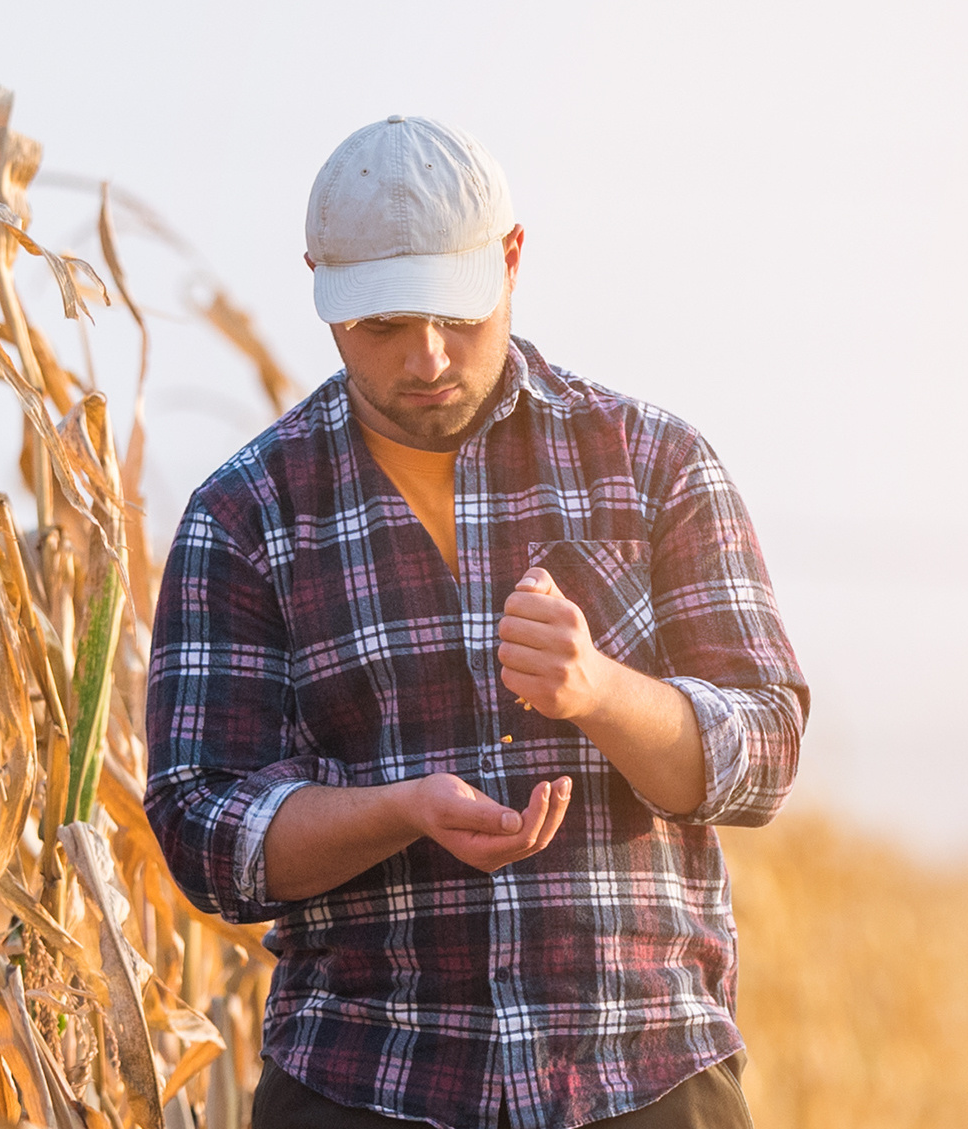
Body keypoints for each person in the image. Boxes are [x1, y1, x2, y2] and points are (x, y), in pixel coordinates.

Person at [143, 114, 809, 1129]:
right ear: (320, 283)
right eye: (382, 326)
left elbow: (763, 756)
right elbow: (202, 830)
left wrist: (600, 692)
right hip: (362, 1079)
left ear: (511, 259)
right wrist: (398, 809)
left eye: (457, 314)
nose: (426, 357)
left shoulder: (655, 463)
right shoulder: (247, 513)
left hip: (640, 1075)